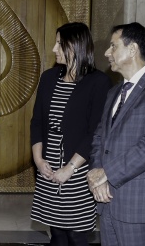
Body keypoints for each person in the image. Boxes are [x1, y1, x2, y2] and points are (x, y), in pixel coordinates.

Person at [87, 22, 145, 246]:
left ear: (132, 49)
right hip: (107, 197)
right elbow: (100, 138)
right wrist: (98, 176)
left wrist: (106, 173)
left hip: (137, 202)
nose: (107, 53)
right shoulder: (114, 92)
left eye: (113, 46)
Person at [29, 22, 111, 246]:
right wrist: (38, 159)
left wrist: (70, 168)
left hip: (79, 167)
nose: (54, 49)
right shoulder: (48, 77)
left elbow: (95, 131)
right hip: (49, 166)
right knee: (56, 233)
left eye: (59, 43)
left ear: (75, 46)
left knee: (76, 234)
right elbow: (37, 122)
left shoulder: (98, 82)